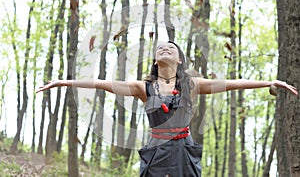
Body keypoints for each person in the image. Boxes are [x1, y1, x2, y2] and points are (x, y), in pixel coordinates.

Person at [36, 41, 298, 177]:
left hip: (184, 150)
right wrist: (64, 81)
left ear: (179, 59)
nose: (165, 48)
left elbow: (232, 84)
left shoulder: (192, 84)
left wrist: (269, 82)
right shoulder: (142, 87)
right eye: (160, 47)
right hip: (156, 152)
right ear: (154, 58)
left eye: (170, 48)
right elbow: (101, 84)